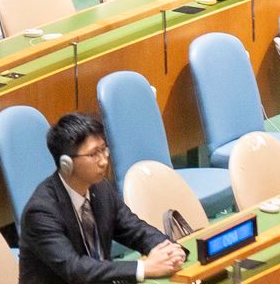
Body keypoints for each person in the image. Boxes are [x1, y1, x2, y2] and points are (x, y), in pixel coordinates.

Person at [16, 110, 186, 284]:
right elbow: (74, 269)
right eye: (93, 154)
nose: (103, 161)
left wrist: (169, 249)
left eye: (103, 150)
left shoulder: (101, 188)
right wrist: (143, 267)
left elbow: (134, 229)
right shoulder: (41, 212)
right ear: (66, 164)